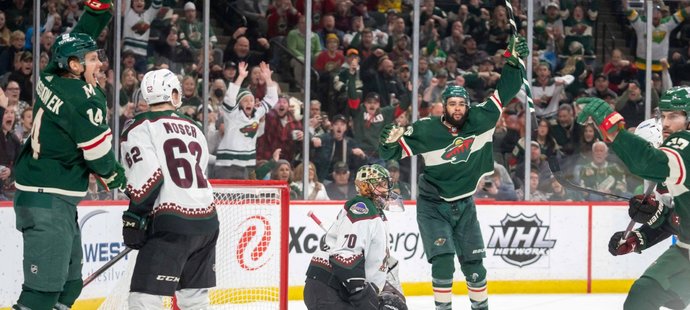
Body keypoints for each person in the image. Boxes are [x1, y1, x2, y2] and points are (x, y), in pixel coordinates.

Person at [379, 35, 529, 310]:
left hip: (465, 203)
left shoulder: (482, 119)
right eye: (452, 105)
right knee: (444, 262)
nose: (457, 109)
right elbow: (389, 153)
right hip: (433, 205)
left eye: (462, 105)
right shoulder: (425, 129)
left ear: (467, 107)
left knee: (475, 266)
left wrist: (514, 61)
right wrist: (387, 139)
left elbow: (506, 89)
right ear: (444, 107)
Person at [12, 2, 127, 309]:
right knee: (42, 293)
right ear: (75, 66)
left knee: (71, 284)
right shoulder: (82, 101)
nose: (99, 64)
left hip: (52, 198)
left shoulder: (52, 74)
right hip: (46, 200)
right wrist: (121, 178)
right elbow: (100, 157)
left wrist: (98, 11)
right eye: (92, 59)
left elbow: (76, 38)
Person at [576, 87, 690, 309]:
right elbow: (677, 219)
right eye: (663, 116)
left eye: (673, 116)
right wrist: (639, 237)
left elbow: (647, 162)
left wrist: (612, 127)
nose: (665, 123)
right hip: (686, 249)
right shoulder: (670, 165)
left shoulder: (684, 147)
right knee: (642, 296)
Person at [120, 69, 219, 309]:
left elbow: (149, 178)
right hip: (207, 221)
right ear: (173, 94)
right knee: (194, 299)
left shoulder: (138, 126)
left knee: (144, 298)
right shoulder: (194, 127)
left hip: (172, 222)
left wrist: (134, 216)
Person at [304, 164, 406, 310]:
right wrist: (361, 294)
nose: (387, 189)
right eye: (382, 184)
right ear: (367, 187)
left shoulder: (374, 213)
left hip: (336, 290)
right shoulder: (362, 208)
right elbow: (345, 257)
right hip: (329, 290)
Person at [214, 61, 277, 179]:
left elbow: (272, 99)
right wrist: (241, 77)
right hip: (227, 164)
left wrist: (268, 79)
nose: (249, 103)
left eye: (251, 100)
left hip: (247, 165)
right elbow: (229, 98)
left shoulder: (257, 114)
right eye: (245, 100)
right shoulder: (232, 114)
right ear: (239, 103)